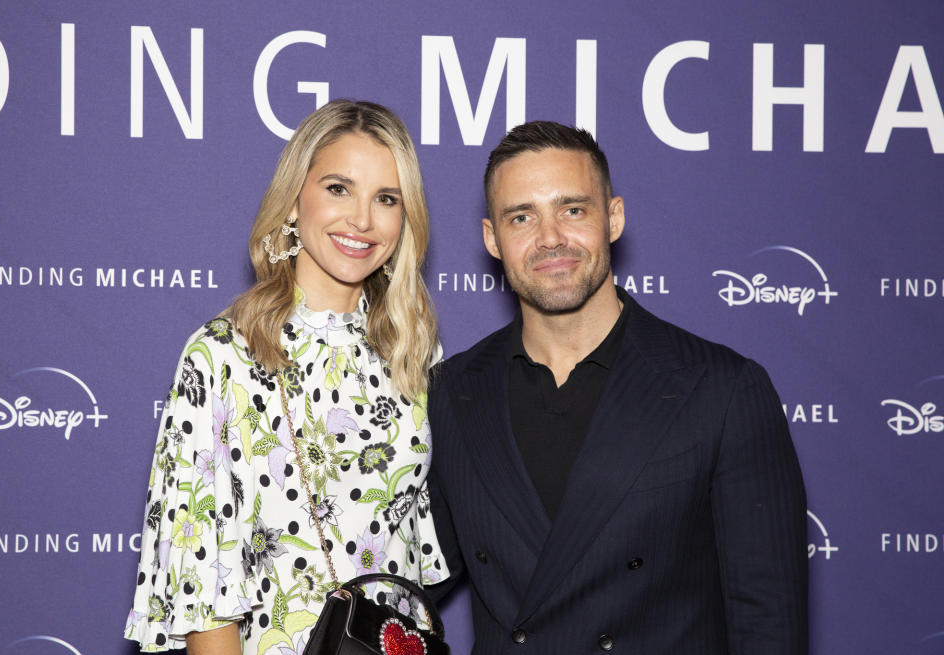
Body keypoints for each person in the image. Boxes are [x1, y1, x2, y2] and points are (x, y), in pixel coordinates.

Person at [427, 121, 808, 654]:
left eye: (573, 209)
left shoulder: (721, 390)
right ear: (493, 238)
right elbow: (410, 577)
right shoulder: (451, 394)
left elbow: (768, 624)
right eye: (522, 217)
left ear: (614, 218)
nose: (550, 237)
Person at [125, 100, 448, 654]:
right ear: (295, 201)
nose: (362, 220)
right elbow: (205, 593)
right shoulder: (223, 354)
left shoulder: (415, 353)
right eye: (338, 189)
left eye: (386, 198)